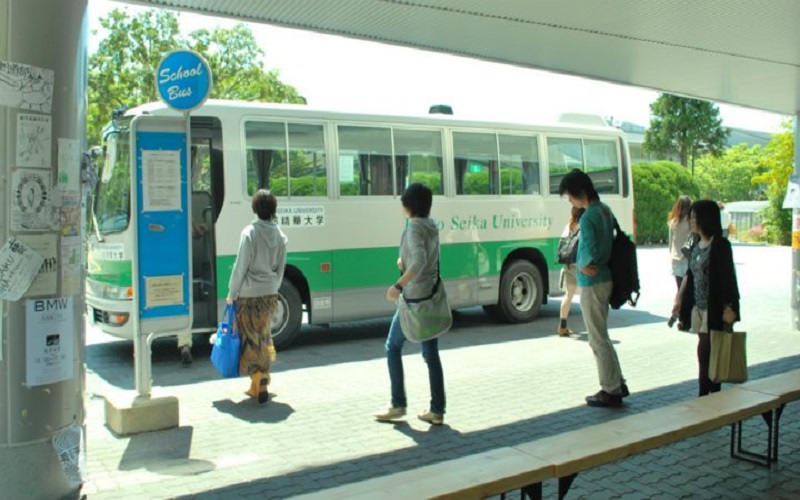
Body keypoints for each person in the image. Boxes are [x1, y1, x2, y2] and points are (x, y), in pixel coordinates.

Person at [374, 183, 446, 425]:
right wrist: (403, 262)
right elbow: (424, 259)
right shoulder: (431, 225)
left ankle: (397, 404)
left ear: (409, 205)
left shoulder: (414, 227)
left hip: (414, 300)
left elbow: (419, 262)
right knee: (430, 354)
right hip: (430, 296)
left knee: (392, 347)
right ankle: (437, 410)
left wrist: (398, 286)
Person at [558, 169, 629, 408]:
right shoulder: (605, 210)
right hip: (606, 279)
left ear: (579, 192)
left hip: (593, 283)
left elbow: (588, 250)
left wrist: (583, 266)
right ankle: (617, 382)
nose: (569, 200)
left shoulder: (588, 217)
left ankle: (610, 389)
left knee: (597, 339)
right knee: (602, 337)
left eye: (570, 195)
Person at [673, 200, 740, 397]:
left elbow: (729, 278)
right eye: (690, 218)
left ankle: (707, 393)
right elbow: (689, 273)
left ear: (706, 219)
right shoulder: (694, 242)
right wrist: (679, 299)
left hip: (715, 307)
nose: (691, 222)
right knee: (706, 351)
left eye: (694, 218)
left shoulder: (720, 245)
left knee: (708, 351)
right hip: (698, 307)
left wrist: (729, 308)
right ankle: (709, 392)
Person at [226, 189, 288, 404]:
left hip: (249, 295)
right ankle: (262, 378)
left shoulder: (249, 233)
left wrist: (232, 293)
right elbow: (280, 269)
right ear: (273, 209)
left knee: (249, 337)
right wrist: (273, 287)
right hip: (269, 294)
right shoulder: (280, 236)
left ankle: (258, 377)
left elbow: (240, 267)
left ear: (254, 209)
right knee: (263, 334)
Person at [176, 220, 212, 366]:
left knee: (176, 302)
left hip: (164, 263)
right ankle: (184, 344)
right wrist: (205, 227)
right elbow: (196, 233)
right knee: (185, 302)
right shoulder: (183, 212)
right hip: (182, 262)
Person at [557, 206, 585, 336]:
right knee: (587, 294)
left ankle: (562, 326)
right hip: (579, 263)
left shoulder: (567, 226)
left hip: (568, 263)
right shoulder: (583, 226)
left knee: (569, 294)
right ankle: (591, 324)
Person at [668, 195, 692, 290]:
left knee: (679, 289)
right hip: (687, 259)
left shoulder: (673, 222)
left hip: (675, 258)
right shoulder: (691, 222)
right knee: (688, 290)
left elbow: (670, 243)